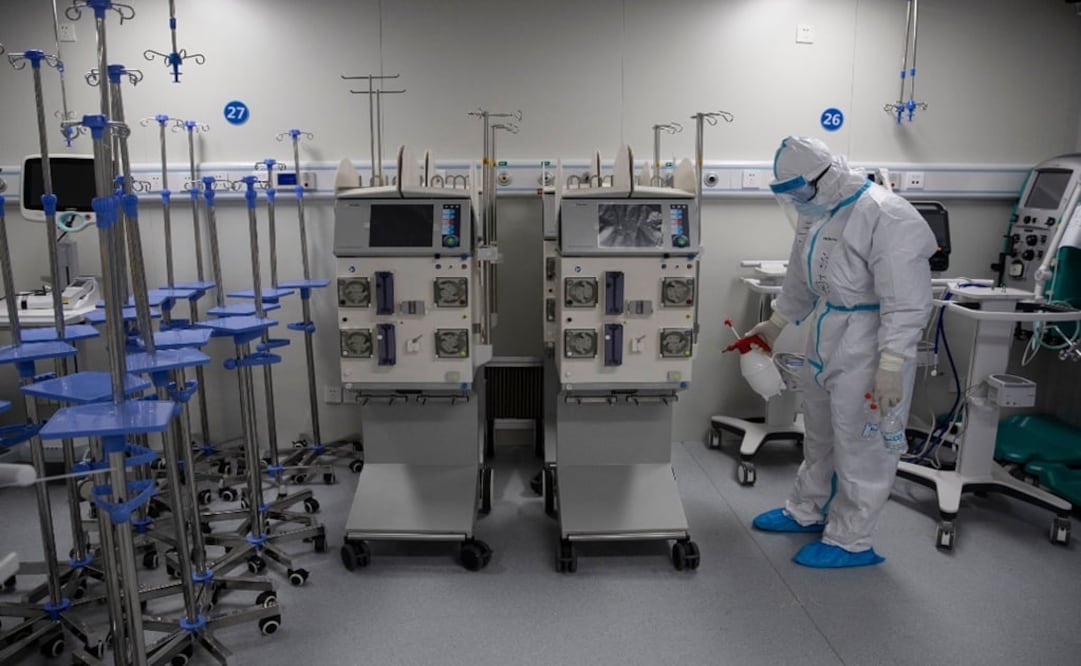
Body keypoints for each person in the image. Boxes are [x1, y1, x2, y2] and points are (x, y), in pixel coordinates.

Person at [737, 136, 936, 568]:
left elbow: (906, 300)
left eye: (798, 189)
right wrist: (774, 325)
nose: (795, 200)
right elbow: (800, 276)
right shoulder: (818, 212)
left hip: (872, 338)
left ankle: (852, 539)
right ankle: (807, 509)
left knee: (861, 441)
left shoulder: (886, 214)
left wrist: (892, 363)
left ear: (825, 176)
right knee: (821, 429)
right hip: (828, 328)